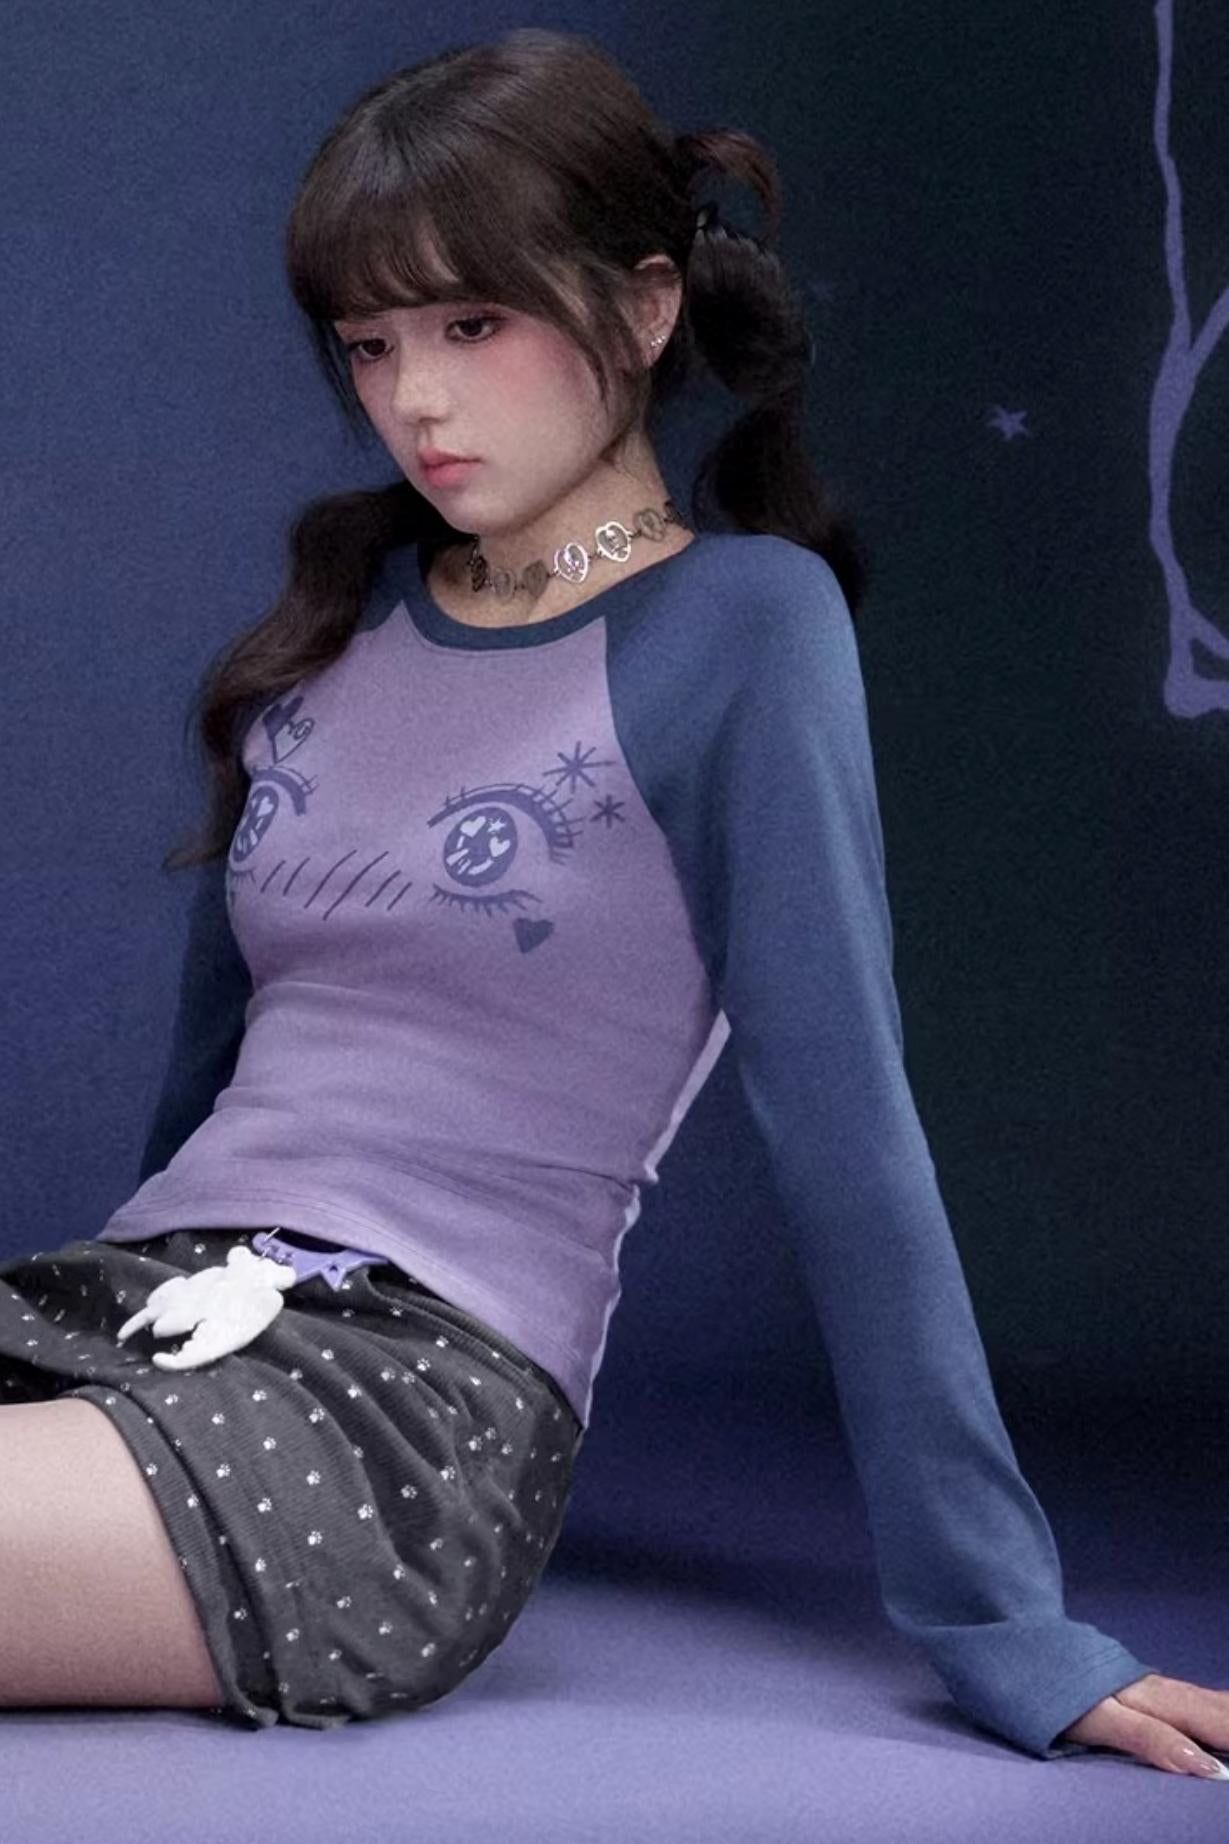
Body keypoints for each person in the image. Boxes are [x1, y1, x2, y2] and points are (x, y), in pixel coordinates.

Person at [4, 25, 1227, 1776]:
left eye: (471, 324)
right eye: (369, 342)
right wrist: (94, 1347)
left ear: (645, 308)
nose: (413, 401)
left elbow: (846, 1133)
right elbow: (207, 1102)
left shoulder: (741, 629)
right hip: (152, 1316)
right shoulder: (331, 625)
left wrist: (1003, 1624)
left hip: (392, 1410)